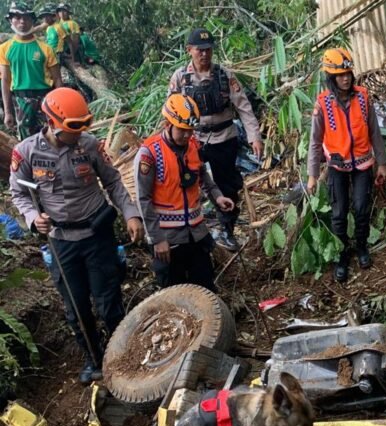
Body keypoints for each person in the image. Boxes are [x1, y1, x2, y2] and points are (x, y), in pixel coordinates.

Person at [9, 87, 143, 383]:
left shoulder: (91, 146)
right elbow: (17, 193)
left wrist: (131, 213)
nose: (80, 132)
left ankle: (123, 355)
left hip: (97, 234)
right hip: (62, 242)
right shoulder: (27, 152)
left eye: (84, 125)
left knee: (108, 301)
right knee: (76, 306)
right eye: (74, 127)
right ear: (53, 122)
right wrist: (33, 218)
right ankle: (93, 360)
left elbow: (113, 183)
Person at [168, 27, 263, 252]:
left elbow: (244, 107)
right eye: (199, 50)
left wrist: (254, 137)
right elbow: (171, 110)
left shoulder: (224, 75)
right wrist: (170, 142)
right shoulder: (181, 78)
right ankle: (191, 230)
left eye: (208, 50)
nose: (204, 54)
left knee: (227, 184)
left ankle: (227, 230)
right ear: (189, 50)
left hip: (224, 137)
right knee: (189, 181)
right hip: (194, 138)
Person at [135, 93, 235, 292]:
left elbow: (203, 178)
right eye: (182, 130)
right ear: (168, 123)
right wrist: (157, 239)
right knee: (175, 293)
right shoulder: (150, 153)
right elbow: (143, 199)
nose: (187, 135)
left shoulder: (193, 147)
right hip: (168, 240)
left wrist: (217, 197)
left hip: (196, 234)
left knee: (205, 288)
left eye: (191, 130)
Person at [307, 47, 386, 283]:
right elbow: (315, 142)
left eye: (348, 73)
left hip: (363, 163)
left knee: (362, 208)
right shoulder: (322, 104)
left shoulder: (363, 96)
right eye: (340, 75)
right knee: (339, 213)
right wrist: (312, 175)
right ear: (330, 78)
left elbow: (375, 132)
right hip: (337, 166)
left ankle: (362, 247)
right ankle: (342, 256)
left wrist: (382, 163)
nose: (345, 78)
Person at [0, 1, 62, 139]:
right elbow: (5, 80)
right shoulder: (5, 48)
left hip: (45, 97)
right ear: (11, 20)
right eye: (17, 17)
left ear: (32, 21)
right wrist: (8, 112)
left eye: (27, 17)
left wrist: (60, 106)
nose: (22, 21)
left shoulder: (46, 48)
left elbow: (57, 79)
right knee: (26, 140)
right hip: (20, 99)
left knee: (50, 137)